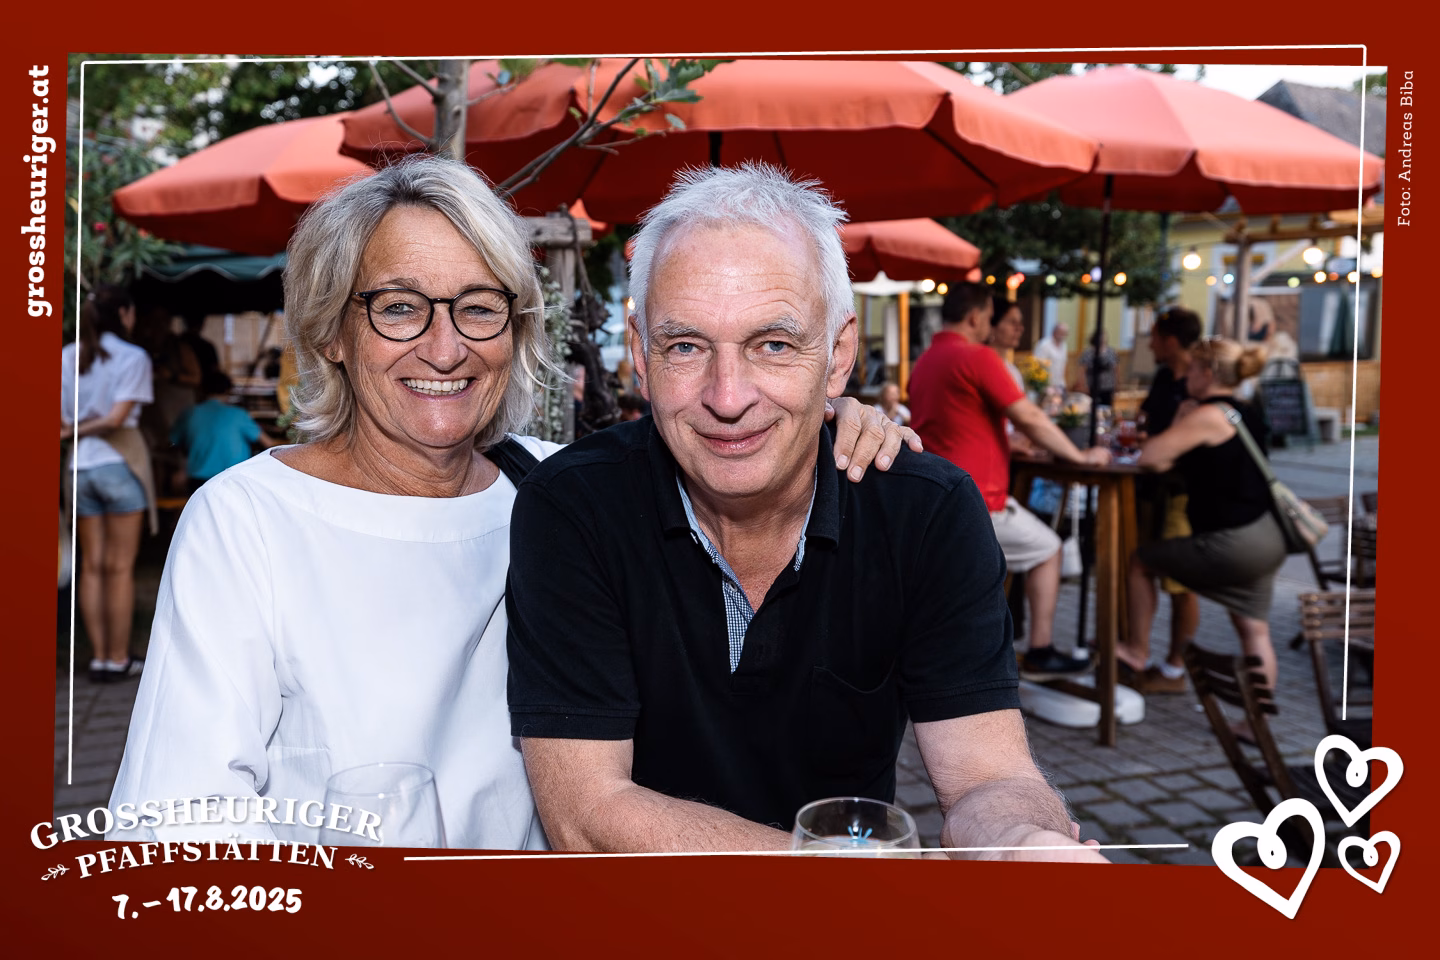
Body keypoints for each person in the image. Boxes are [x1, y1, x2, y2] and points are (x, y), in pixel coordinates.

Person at [108, 156, 911, 848]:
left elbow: (725, 442)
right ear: (330, 333)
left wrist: (831, 417)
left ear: (514, 327)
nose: (446, 346)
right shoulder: (248, 521)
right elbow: (175, 825)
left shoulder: (562, 492)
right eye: (399, 307)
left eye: (479, 306)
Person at [507, 164, 1105, 862]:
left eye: (774, 345)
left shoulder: (923, 512)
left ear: (838, 354)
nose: (728, 397)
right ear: (641, 354)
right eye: (686, 346)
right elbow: (587, 813)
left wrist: (1020, 839)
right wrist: (844, 871)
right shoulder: (575, 507)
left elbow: (988, 776)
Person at [908, 283, 1111, 681]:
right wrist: (1079, 456)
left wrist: (1004, 442)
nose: (990, 325)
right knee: (1049, 549)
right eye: (989, 317)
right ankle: (1040, 650)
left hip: (934, 496)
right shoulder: (977, 355)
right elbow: (1029, 417)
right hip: (976, 500)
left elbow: (954, 425)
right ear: (975, 317)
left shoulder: (926, 360)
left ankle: (987, 653)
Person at [1119, 338, 1285, 710]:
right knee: (1254, 630)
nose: (1187, 376)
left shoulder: (1207, 415)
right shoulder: (1245, 411)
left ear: (1208, 373)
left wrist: (1180, 420)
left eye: (1193, 368)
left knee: (1141, 562)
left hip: (1232, 541)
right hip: (1265, 535)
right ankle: (1255, 725)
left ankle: (1135, 649)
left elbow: (1150, 456)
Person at [61, 287, 156, 683]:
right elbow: (117, 419)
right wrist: (85, 426)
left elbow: (62, 421)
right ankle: (118, 659)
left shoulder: (66, 355)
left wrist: (72, 430)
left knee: (92, 565)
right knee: (118, 568)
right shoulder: (133, 357)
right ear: (124, 313)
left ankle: (100, 658)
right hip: (119, 464)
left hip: (78, 468)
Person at [1129, 308, 1203, 693]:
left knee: (1180, 583)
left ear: (1171, 341)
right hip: (1150, 488)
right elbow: (1144, 420)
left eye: (1155, 337)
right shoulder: (1163, 377)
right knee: (1142, 566)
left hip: (1181, 495)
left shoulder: (1197, 384)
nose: (1150, 344)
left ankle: (1175, 670)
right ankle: (1137, 653)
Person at [170, 369, 279, 495]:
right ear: (228, 390)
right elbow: (269, 443)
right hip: (235, 479)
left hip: (198, 482)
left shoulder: (190, 413)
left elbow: (172, 443)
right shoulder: (238, 414)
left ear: (202, 390)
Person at [1075, 327, 1118, 409]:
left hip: (1108, 385)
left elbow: (1115, 369)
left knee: (1107, 407)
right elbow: (1082, 370)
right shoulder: (1088, 352)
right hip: (1092, 384)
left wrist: (1117, 383)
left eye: (1104, 335)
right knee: (1092, 406)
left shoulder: (1111, 351)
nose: (1102, 338)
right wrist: (1083, 385)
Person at [1032, 322, 1068, 393]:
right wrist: (1041, 385)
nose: (1062, 336)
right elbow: (1037, 365)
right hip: (1046, 385)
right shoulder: (1044, 345)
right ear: (1054, 332)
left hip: (1059, 384)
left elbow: (1063, 365)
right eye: (1061, 333)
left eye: (1064, 333)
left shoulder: (1064, 346)